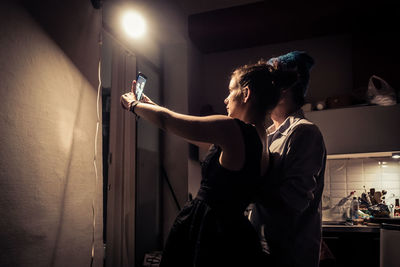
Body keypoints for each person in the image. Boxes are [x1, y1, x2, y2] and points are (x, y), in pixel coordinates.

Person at [120, 60, 298, 267]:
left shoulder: (232, 129)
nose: (226, 99)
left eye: (230, 91)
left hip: (208, 230)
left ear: (246, 93)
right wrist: (151, 106)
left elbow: (169, 121)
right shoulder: (262, 140)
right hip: (234, 234)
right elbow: (184, 128)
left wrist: (133, 105)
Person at [249, 51, 326, 267]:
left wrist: (246, 188)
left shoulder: (304, 132)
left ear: (284, 89)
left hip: (290, 255)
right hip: (264, 249)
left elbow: (293, 200)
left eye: (268, 84)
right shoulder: (268, 132)